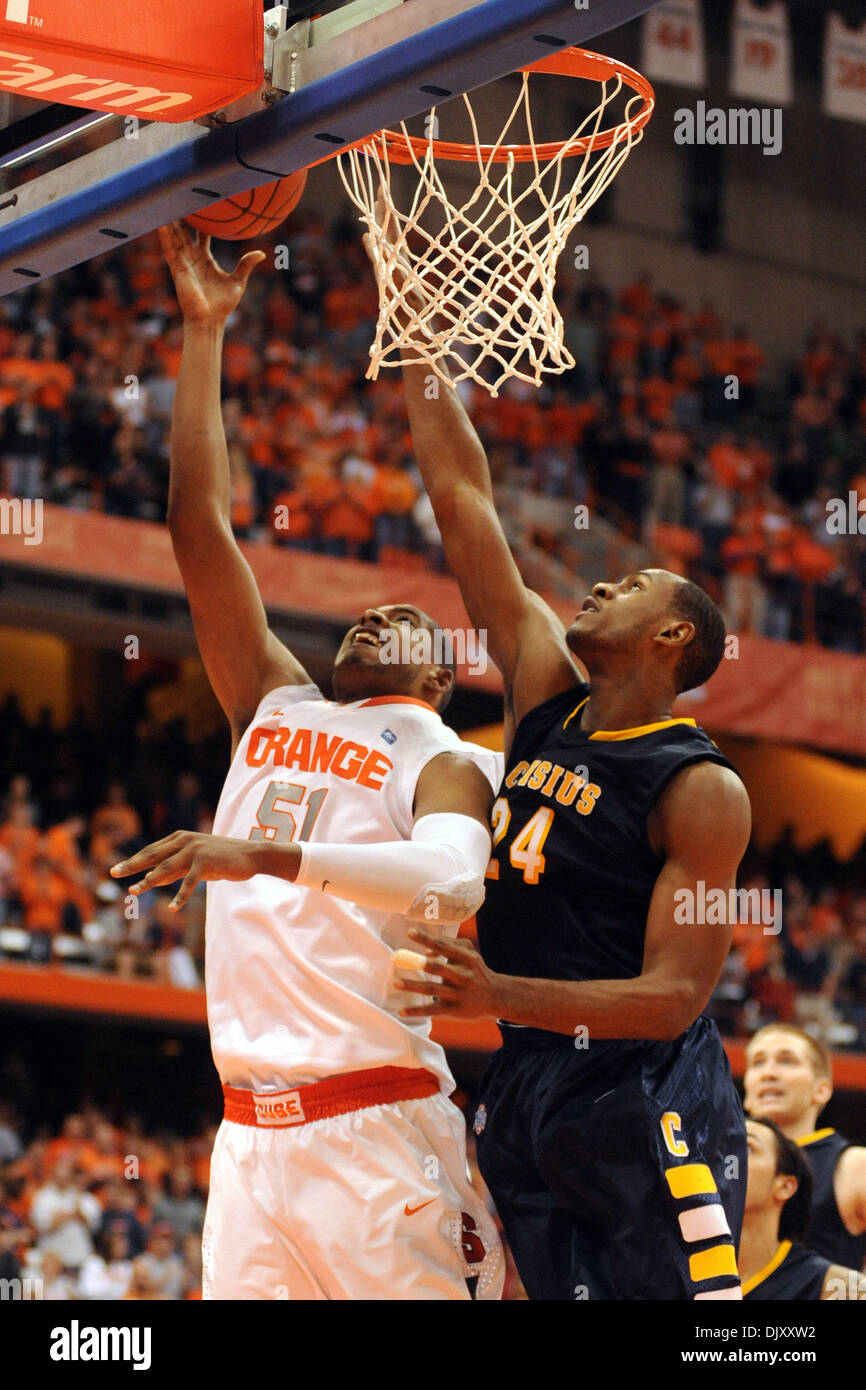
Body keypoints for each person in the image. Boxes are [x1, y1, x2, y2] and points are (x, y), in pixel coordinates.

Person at [111, 222, 503, 1301]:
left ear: (440, 679)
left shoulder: (444, 754)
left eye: (409, 618)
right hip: (246, 1136)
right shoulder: (274, 699)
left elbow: (450, 880)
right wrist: (203, 332)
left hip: (378, 1128)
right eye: (366, 612)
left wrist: (261, 855)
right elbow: (199, 528)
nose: (380, 611)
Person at [374, 231, 751, 1300]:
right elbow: (462, 502)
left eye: (629, 585)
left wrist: (499, 987)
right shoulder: (547, 694)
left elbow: (675, 995)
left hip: (640, 1086)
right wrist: (413, 329)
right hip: (529, 1068)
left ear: (672, 638)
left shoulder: (696, 784)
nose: (595, 587)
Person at [744, 1024, 866, 1270]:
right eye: (758, 1063)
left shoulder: (853, 1164)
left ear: (821, 1090)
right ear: (747, 1092)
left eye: (787, 1061)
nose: (768, 1073)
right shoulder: (723, 1161)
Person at [740, 1117, 865, 1299]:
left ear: (785, 1186)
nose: (727, 1159)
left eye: (747, 1146)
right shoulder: (684, 1274)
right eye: (718, 1144)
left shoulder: (838, 1288)